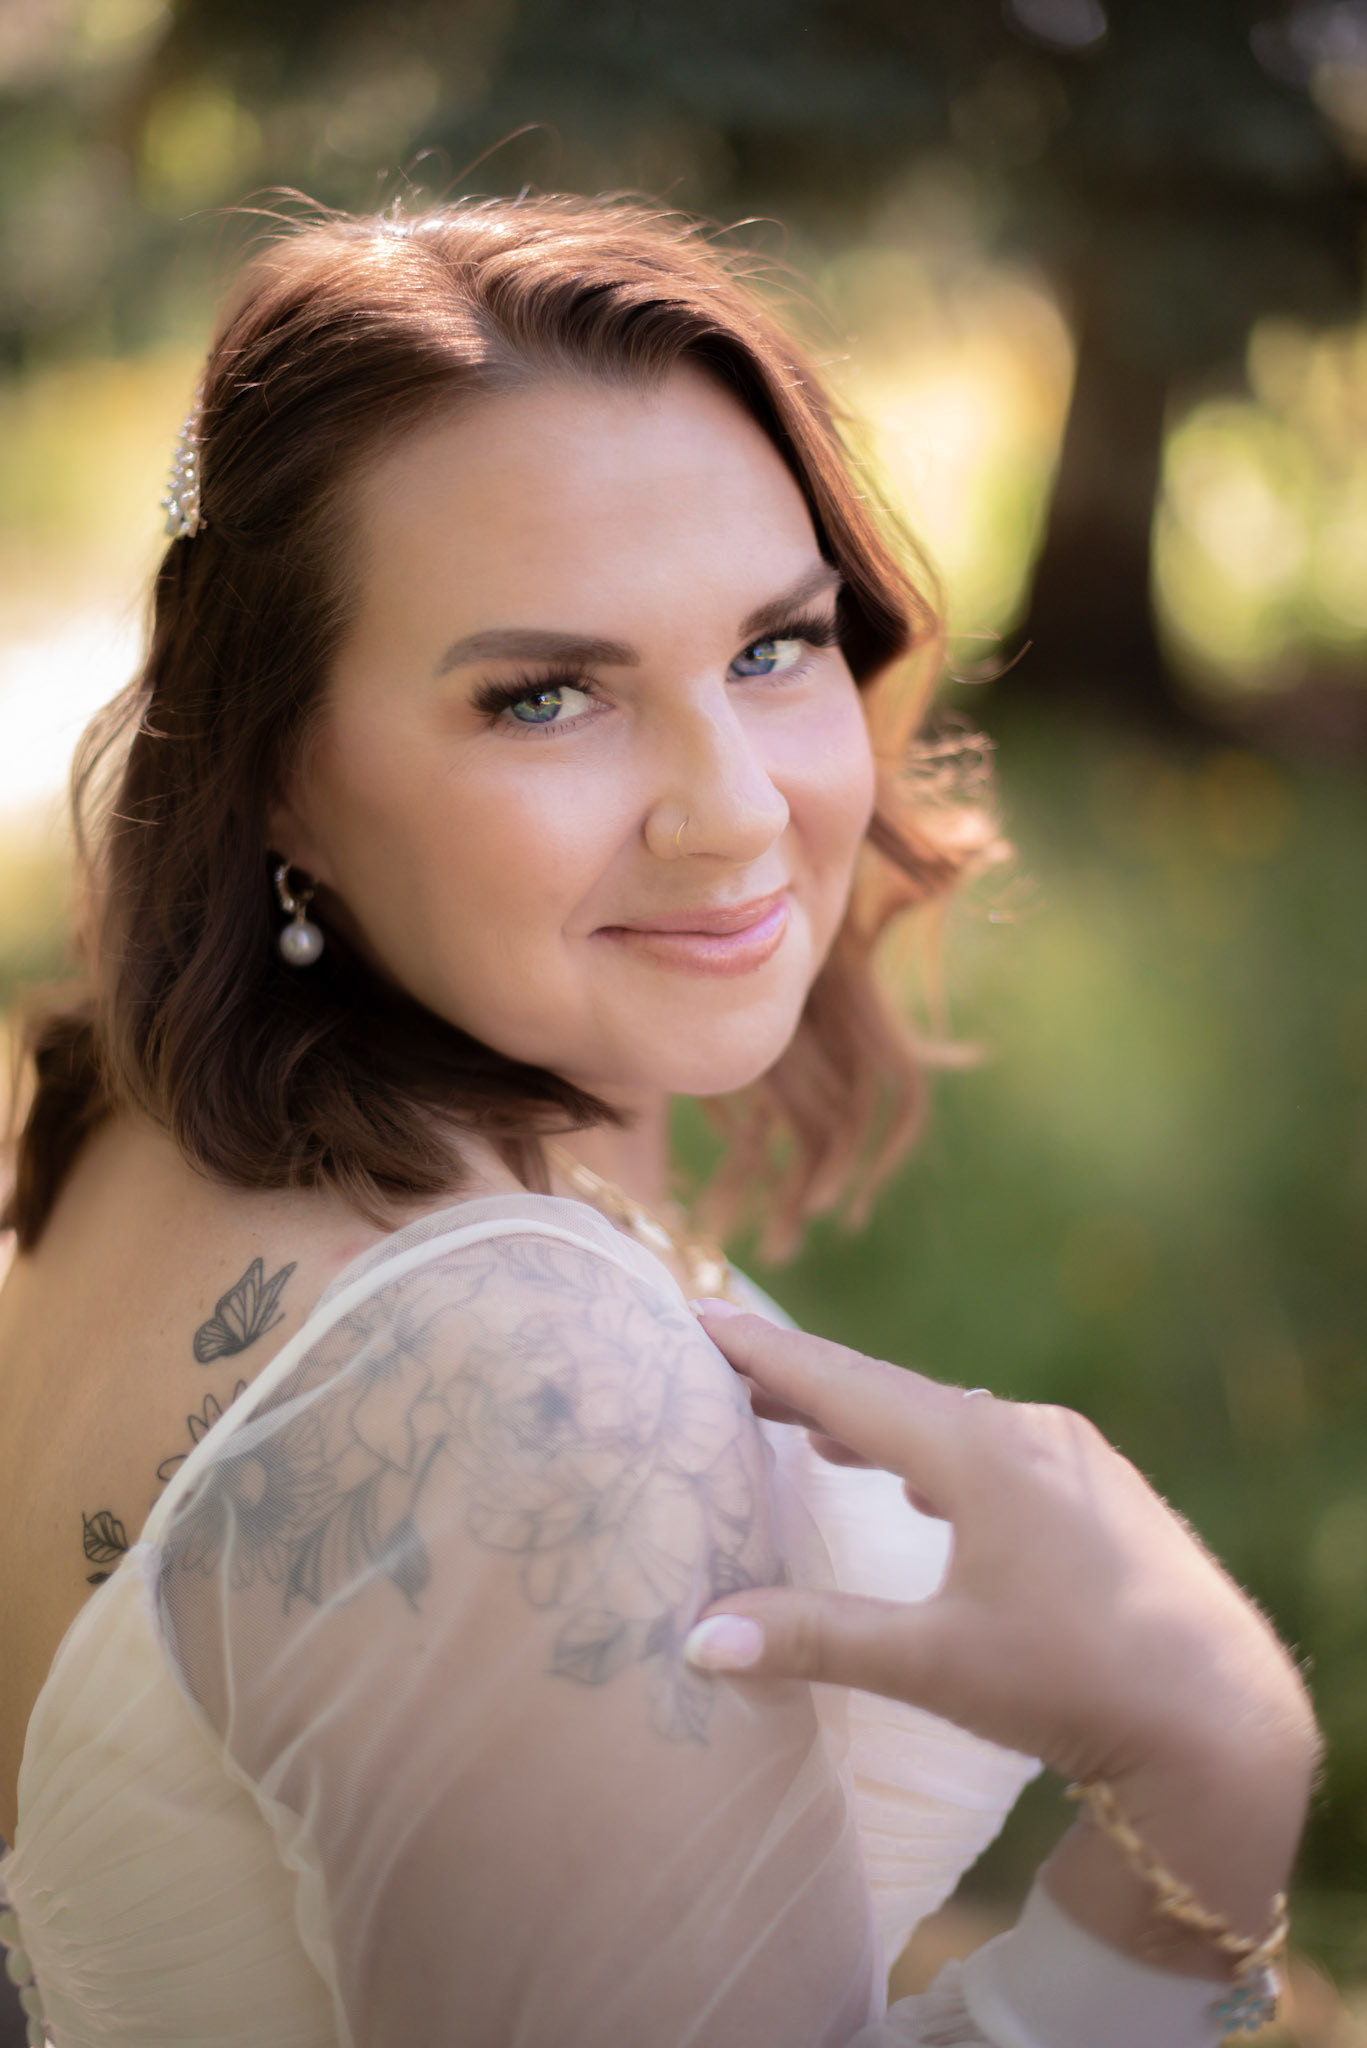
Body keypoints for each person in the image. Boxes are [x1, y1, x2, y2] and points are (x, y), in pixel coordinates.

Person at [0, 195, 1314, 2048]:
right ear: (278, 772)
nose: (737, 810)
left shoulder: (118, 1123)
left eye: (775, 648)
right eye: (547, 697)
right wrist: (1211, 1782)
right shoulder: (523, 1391)